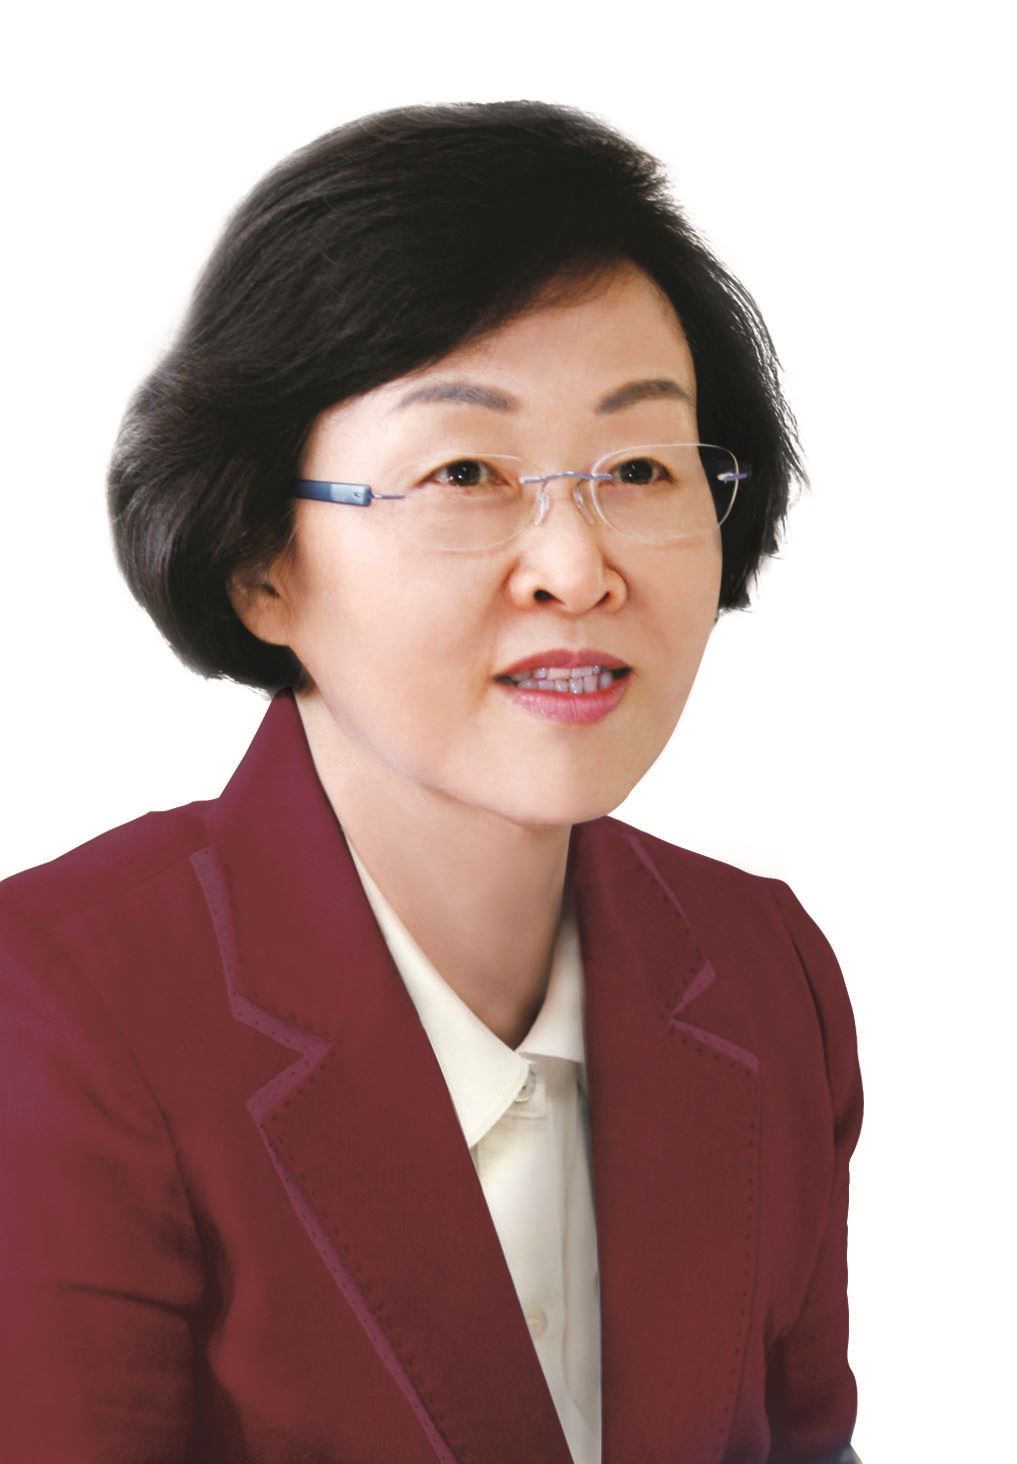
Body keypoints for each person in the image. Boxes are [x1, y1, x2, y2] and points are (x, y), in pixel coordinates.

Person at [0, 100, 863, 1463]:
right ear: (261, 563)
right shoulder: (57, 1007)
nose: (574, 569)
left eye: (641, 467)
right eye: (465, 471)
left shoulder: (765, 970)